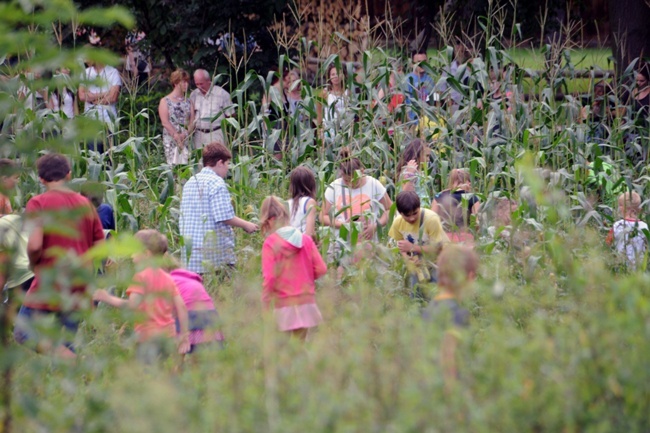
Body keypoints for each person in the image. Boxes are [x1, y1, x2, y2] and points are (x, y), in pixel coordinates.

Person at [14, 153, 104, 358]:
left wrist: (33, 262)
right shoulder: (85, 204)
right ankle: (71, 373)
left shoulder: (38, 203)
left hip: (50, 280)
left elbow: (35, 244)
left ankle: (71, 362)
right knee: (67, 339)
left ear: (41, 178)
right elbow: (99, 245)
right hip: (79, 282)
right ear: (69, 175)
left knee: (22, 333)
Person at [93, 230, 190, 362]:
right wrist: (184, 337)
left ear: (146, 254)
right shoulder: (168, 278)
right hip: (168, 338)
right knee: (164, 374)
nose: (132, 256)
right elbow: (182, 307)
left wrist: (107, 297)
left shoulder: (141, 277)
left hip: (147, 339)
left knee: (147, 375)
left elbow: (132, 305)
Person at [179, 142, 258, 274]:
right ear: (220, 163)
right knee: (224, 288)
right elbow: (224, 217)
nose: (228, 169)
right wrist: (247, 225)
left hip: (190, 252)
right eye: (227, 164)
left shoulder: (190, 182)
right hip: (213, 254)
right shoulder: (216, 182)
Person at [260, 196, 327, 340]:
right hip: (306, 301)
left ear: (269, 221)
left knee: (281, 349)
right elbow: (322, 269)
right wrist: (307, 276)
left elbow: (270, 277)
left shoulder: (270, 243)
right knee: (299, 345)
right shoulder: (306, 240)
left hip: (284, 303)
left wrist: (265, 302)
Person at [422, 244, 478, 389]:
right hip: (448, 396)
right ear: (470, 277)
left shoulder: (430, 309)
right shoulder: (457, 313)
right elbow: (449, 359)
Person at [389, 191, 448, 297]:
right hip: (418, 264)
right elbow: (401, 245)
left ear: (419, 207)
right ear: (399, 212)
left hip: (438, 262)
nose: (412, 218)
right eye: (407, 215)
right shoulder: (397, 223)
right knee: (415, 296)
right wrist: (407, 259)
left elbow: (438, 248)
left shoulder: (431, 219)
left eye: (415, 213)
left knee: (438, 295)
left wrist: (412, 247)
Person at [166, 260, 225, 352]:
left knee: (179, 346)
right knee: (204, 355)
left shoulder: (169, 280)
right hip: (210, 315)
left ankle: (177, 365)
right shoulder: (189, 278)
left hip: (190, 314)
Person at [78, 58, 122, 153]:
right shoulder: (85, 73)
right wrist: (105, 93)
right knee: (94, 155)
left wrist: (91, 97)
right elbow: (82, 96)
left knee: (111, 155)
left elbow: (112, 98)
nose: (86, 60)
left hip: (109, 120)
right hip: (91, 121)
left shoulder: (112, 72)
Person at [190, 69, 234, 148]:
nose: (199, 87)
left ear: (208, 81)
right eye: (197, 84)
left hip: (216, 133)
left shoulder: (222, 94)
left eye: (201, 84)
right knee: (200, 159)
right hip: (199, 134)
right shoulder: (193, 95)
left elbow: (231, 115)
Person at [159, 69, 193, 165]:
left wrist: (185, 134)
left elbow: (192, 121)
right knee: (173, 166)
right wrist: (176, 136)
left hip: (186, 138)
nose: (186, 84)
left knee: (187, 165)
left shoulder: (189, 101)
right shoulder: (165, 101)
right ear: (176, 83)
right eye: (183, 82)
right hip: (171, 139)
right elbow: (165, 121)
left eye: (187, 82)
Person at [606, 191, 648, 270]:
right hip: (639, 268)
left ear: (622, 208)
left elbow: (608, 242)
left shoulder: (617, 225)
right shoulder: (644, 226)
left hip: (620, 267)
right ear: (639, 209)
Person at [318, 64, 349, 141]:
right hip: (329, 129)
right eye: (333, 74)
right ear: (329, 76)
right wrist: (320, 130)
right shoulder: (324, 93)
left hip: (344, 129)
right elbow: (319, 113)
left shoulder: (348, 92)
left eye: (338, 73)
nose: (336, 76)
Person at [396, 138, 432, 207]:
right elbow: (405, 194)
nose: (428, 159)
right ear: (417, 154)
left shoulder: (419, 172)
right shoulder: (409, 171)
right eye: (426, 156)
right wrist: (410, 175)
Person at [287, 166, 318, 237]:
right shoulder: (309, 202)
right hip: (302, 243)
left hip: (289, 243)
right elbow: (310, 233)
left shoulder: (287, 203)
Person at [406, 52, 435, 119]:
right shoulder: (407, 80)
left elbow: (434, 101)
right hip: (413, 120)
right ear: (412, 64)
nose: (422, 65)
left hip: (427, 120)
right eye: (419, 62)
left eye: (424, 62)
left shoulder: (430, 80)